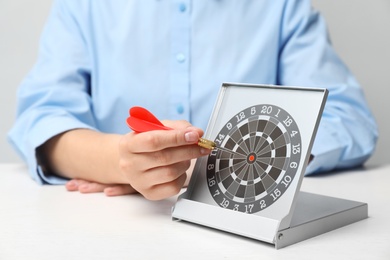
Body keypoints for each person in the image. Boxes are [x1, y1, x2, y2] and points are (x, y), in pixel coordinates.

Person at [8, 0, 378, 200]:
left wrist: (224, 166)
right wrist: (122, 164)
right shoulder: (84, 5)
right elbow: (43, 120)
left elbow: (349, 122)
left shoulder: (281, 6)